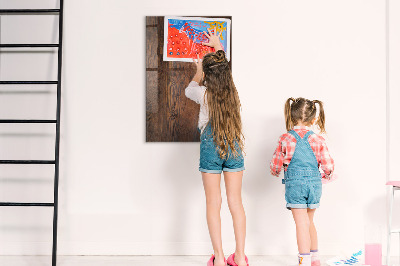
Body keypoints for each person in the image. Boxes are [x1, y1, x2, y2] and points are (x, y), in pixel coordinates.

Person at [185, 28, 249, 266]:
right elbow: (224, 70)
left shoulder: (203, 94)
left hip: (211, 148)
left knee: (214, 203)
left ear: (208, 76)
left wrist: (199, 70)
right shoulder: (232, 92)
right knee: (236, 202)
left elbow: (188, 89)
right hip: (233, 146)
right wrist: (218, 46)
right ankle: (240, 258)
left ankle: (220, 259)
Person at [270, 98, 335, 266]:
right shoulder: (318, 139)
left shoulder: (285, 138)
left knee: (301, 224)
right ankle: (315, 260)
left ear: (291, 117)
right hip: (314, 185)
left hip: (295, 186)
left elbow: (275, 164)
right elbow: (328, 165)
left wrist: (275, 171)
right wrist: (327, 175)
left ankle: (304, 261)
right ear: (313, 120)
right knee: (309, 222)